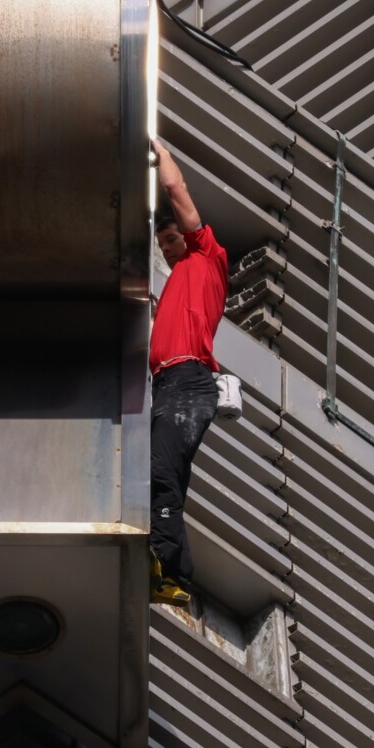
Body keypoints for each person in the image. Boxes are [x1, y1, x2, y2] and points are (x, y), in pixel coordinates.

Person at [148, 138, 230, 606]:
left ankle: (169, 566)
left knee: (162, 470)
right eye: (162, 244)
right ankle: (171, 572)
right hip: (167, 385)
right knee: (165, 476)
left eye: (172, 238)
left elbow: (177, 187)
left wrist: (160, 150)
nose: (169, 249)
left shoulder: (207, 258)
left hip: (188, 381)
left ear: (189, 234)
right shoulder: (178, 281)